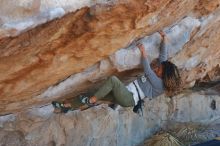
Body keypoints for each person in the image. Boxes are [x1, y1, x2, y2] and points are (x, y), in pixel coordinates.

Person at [62, 31, 181, 114]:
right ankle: (68, 106)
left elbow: (148, 71)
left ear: (163, 76)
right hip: (125, 91)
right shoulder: (162, 72)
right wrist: (165, 38)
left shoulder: (159, 86)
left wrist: (143, 52)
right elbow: (163, 58)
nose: (157, 68)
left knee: (113, 80)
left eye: (159, 70)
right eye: (158, 67)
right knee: (93, 92)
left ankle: (93, 100)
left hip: (128, 98)